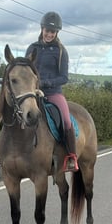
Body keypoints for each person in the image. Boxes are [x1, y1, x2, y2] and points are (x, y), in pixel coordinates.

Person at [25, 11, 78, 172]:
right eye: (47, 30)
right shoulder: (32, 48)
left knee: (66, 121)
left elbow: (64, 77)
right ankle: (4, 153)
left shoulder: (61, 51)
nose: (49, 34)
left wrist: (46, 83)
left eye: (52, 32)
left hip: (53, 93)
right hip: (32, 91)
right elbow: (26, 70)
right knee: (13, 112)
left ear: (57, 33)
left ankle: (71, 156)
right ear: (42, 29)